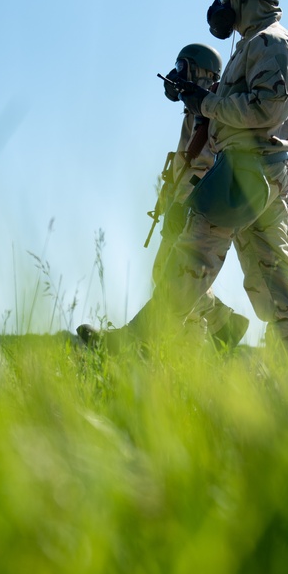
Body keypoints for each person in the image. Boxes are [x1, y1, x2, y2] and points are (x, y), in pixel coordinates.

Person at [83, 0, 288, 361]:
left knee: (193, 257)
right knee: (273, 276)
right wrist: (202, 102)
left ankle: (132, 345)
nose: (221, 2)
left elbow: (267, 109)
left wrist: (206, 103)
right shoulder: (253, 44)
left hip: (250, 170)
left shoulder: (271, 42)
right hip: (252, 170)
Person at [79, 44, 249, 350]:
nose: (177, 73)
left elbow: (210, 162)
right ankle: (221, 328)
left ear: (201, 72)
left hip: (197, 205)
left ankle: (135, 344)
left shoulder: (212, 109)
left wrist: (184, 202)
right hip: (182, 202)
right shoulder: (195, 111)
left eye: (183, 67)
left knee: (176, 274)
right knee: (170, 271)